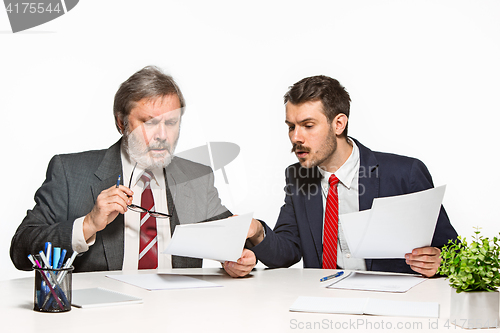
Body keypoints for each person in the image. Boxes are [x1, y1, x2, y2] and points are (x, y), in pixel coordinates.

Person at [10, 66, 255, 277]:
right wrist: (87, 224)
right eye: (149, 122)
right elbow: (21, 249)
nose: (161, 135)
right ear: (121, 123)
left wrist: (236, 259)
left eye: (171, 123)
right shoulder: (70, 172)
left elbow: (230, 237)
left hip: (179, 315)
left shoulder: (196, 177)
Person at [245, 75, 458, 277]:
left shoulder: (404, 173)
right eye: (291, 127)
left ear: (339, 124)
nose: (296, 137)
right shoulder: (297, 176)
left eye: (308, 126)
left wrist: (442, 261)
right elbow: (287, 251)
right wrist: (257, 232)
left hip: (389, 303)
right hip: (321, 298)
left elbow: (454, 251)